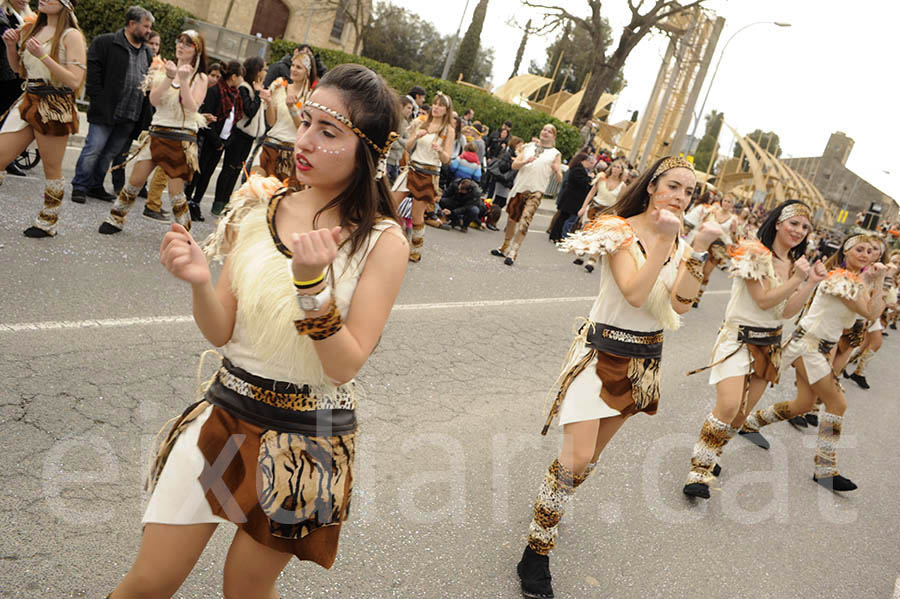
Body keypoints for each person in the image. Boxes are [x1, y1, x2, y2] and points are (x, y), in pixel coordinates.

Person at [105, 63, 408, 599]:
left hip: (305, 442)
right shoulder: (256, 206)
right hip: (224, 415)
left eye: (327, 131)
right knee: (148, 582)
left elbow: (343, 364)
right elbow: (221, 332)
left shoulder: (382, 242)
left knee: (244, 590)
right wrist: (200, 281)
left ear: (368, 152)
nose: (304, 139)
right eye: (306, 120)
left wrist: (312, 287)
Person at [515, 157, 720, 599]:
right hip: (599, 352)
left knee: (586, 461)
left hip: (643, 362)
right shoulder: (619, 229)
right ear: (651, 187)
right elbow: (634, 292)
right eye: (672, 186)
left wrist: (697, 251)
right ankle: (536, 548)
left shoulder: (681, 241)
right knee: (575, 457)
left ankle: (555, 504)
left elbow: (681, 306)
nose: (680, 197)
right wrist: (666, 243)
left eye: (688, 192)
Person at [681, 201, 826, 499]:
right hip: (738, 340)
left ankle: (715, 451)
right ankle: (698, 470)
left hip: (769, 344)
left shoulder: (793, 264)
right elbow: (763, 300)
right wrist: (798, 279)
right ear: (777, 223)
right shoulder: (754, 252)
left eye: (804, 227)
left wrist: (809, 283)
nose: (799, 231)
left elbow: (786, 312)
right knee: (729, 404)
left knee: (741, 413)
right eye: (794, 223)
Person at [739, 231, 887, 492]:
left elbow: (872, 313)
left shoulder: (856, 281)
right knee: (837, 403)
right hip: (807, 346)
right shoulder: (838, 279)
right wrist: (879, 279)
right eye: (859, 250)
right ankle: (825, 469)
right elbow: (869, 311)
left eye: (870, 251)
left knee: (803, 403)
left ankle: (751, 422)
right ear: (845, 253)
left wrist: (873, 280)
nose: (866, 255)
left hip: (817, 347)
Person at [98, 29, 208, 235]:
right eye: (179, 40)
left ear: (197, 50)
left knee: (176, 192)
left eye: (188, 43)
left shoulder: (200, 77)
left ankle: (184, 233)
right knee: (135, 180)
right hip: (157, 133)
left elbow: (192, 107)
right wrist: (169, 77)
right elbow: (154, 100)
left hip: (181, 138)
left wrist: (183, 80)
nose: (181, 45)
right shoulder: (162, 69)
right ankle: (115, 219)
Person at [0, 0, 86, 238]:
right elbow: (20, 71)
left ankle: (48, 221)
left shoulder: (72, 36)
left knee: (51, 169)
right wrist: (10, 46)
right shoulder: (34, 29)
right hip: (28, 99)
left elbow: (74, 81)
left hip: (54, 103)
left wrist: (44, 56)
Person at [70, 6, 153, 204]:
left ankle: (95, 186)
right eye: (146, 26)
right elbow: (93, 73)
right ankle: (80, 186)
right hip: (106, 109)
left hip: (130, 114)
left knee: (109, 154)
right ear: (132, 24)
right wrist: (97, 98)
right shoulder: (106, 42)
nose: (149, 31)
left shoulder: (148, 53)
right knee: (93, 148)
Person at [392, 91, 455, 262]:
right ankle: (393, 242)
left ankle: (415, 249)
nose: (436, 107)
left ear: (446, 109)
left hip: (429, 173)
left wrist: (440, 150)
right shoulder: (422, 123)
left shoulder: (448, 130)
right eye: (435, 103)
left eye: (441, 105)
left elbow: (447, 158)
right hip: (412, 168)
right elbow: (407, 146)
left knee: (416, 215)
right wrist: (416, 137)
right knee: (391, 204)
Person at [490, 124, 561, 266]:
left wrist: (556, 171)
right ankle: (505, 246)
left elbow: (559, 179)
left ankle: (513, 252)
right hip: (520, 188)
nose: (545, 132)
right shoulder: (529, 147)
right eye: (544, 129)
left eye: (549, 131)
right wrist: (524, 161)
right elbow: (514, 165)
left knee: (525, 222)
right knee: (511, 220)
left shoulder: (555, 154)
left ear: (553, 136)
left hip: (536, 191)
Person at [184, 60, 244, 222]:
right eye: (240, 77)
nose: (242, 81)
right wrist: (217, 141)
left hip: (223, 142)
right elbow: (207, 119)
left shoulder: (234, 94)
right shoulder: (215, 91)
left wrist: (226, 141)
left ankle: (196, 202)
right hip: (209, 139)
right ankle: (187, 201)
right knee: (198, 171)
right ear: (233, 76)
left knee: (208, 174)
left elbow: (234, 120)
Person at [207, 55, 266, 217]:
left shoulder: (254, 87)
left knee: (237, 169)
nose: (266, 72)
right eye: (263, 69)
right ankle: (218, 202)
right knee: (229, 168)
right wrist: (259, 96)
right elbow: (249, 110)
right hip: (239, 134)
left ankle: (226, 202)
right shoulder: (244, 88)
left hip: (249, 136)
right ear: (257, 71)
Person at [844, 238, 898, 389]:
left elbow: (877, 305)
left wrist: (885, 280)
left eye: (873, 250)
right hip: (855, 317)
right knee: (865, 343)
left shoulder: (879, 271)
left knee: (872, 343)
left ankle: (856, 370)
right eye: (866, 249)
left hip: (868, 315)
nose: (869, 252)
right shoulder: (860, 270)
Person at [257, 50, 314, 183]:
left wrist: (292, 108)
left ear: (307, 71)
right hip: (271, 144)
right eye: (293, 65)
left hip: (290, 152)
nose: (293, 70)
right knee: (258, 192)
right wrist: (269, 102)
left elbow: (302, 127)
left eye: (299, 67)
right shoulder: (279, 88)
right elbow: (271, 122)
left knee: (282, 196)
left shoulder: (311, 96)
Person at [574, 160, 626, 272]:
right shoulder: (601, 178)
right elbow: (591, 193)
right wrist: (583, 207)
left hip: (607, 212)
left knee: (600, 236)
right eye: (614, 166)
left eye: (618, 168)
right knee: (587, 231)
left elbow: (619, 203)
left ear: (621, 171)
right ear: (611, 168)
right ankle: (581, 253)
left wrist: (617, 218)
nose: (616, 169)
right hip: (594, 208)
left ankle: (592, 261)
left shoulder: (622, 186)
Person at [0, 0, 32, 177]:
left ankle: (8, 157)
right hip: (5, 74)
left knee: (8, 118)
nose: (24, 0)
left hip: (17, 76)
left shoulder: (28, 16)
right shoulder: (4, 13)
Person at [549, 152, 593, 243]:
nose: (588, 163)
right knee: (563, 218)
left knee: (563, 217)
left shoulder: (578, 169)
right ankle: (555, 235)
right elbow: (580, 181)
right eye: (587, 161)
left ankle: (557, 235)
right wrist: (589, 179)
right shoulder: (578, 169)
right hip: (571, 199)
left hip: (571, 198)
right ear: (582, 161)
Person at [484, 135, 521, 231]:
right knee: (498, 201)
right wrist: (512, 163)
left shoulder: (517, 156)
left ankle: (491, 220)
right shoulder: (508, 154)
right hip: (503, 180)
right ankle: (490, 220)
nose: (521, 147)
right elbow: (503, 167)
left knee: (501, 202)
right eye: (519, 145)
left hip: (508, 182)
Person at [385, 95, 412, 184]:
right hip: (387, 160)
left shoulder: (405, 122)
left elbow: (408, 141)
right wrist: (400, 141)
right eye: (408, 108)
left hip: (397, 162)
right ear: (401, 106)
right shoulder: (392, 119)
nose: (410, 111)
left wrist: (399, 139)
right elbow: (390, 140)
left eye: (411, 109)